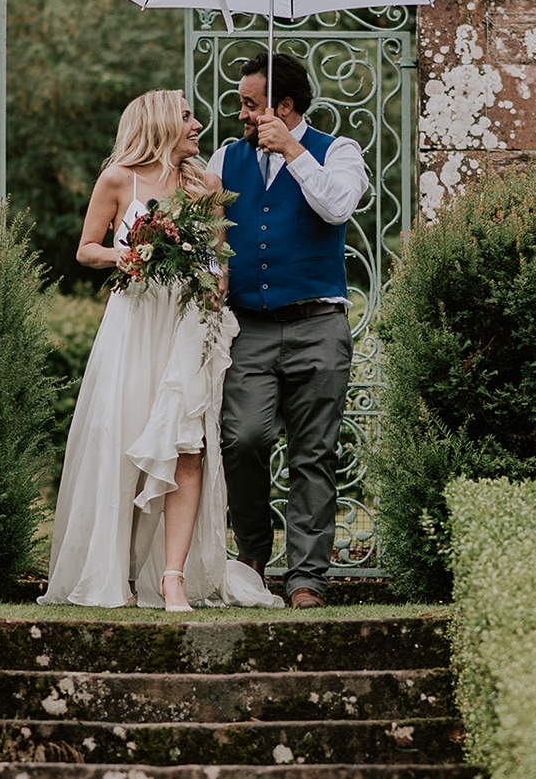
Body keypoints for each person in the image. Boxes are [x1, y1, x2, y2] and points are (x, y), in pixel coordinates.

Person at [41, 88, 278, 613]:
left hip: (188, 327)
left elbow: (221, 260)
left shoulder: (207, 186)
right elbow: (86, 249)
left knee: (186, 443)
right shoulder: (118, 179)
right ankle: (118, 570)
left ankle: (172, 578)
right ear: (159, 123)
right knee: (126, 441)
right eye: (187, 116)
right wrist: (128, 255)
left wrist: (214, 285)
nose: (198, 125)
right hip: (134, 326)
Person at [207, 51, 368, 609]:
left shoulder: (338, 151)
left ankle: (306, 579)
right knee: (242, 437)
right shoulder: (226, 157)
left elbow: (337, 206)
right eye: (242, 105)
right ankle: (252, 555)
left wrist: (294, 152)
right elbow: (206, 230)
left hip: (318, 325)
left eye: (251, 106)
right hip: (248, 327)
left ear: (285, 106)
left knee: (313, 453)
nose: (242, 115)